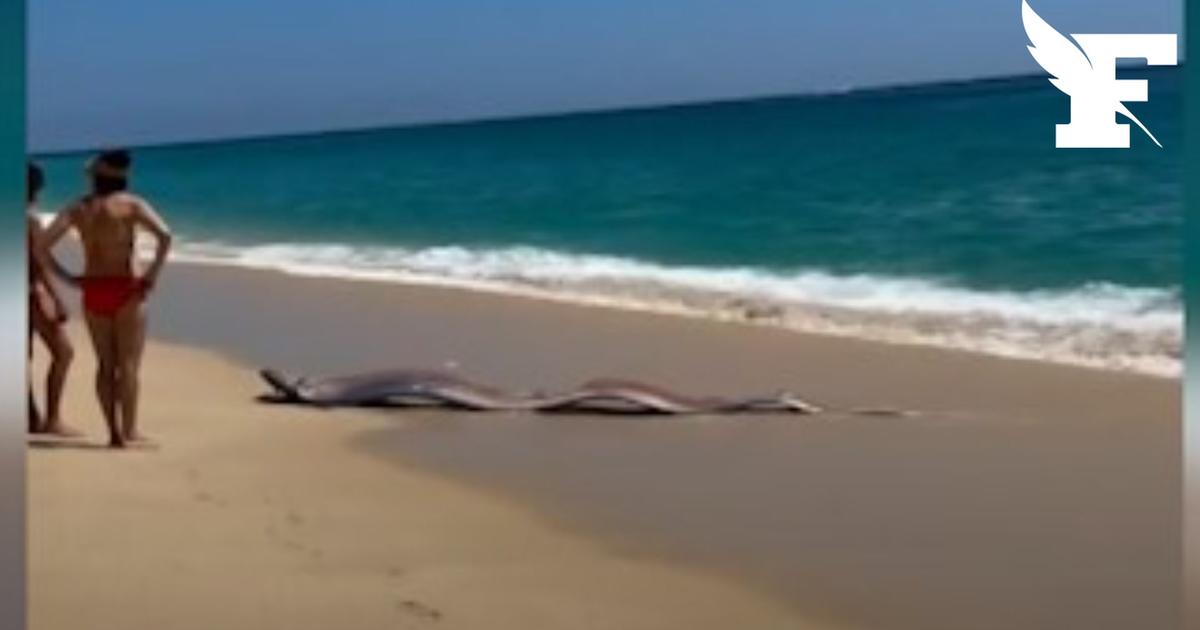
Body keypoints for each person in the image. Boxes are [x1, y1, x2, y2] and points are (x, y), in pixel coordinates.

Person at [37, 150, 173, 448]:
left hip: (94, 289)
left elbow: (41, 246)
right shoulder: (132, 205)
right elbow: (165, 236)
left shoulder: (78, 209)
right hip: (126, 288)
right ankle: (130, 430)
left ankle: (112, 432)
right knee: (128, 365)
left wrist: (69, 278)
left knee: (105, 364)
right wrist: (151, 276)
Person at [27, 162, 77, 436]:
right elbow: (39, 263)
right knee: (64, 353)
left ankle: (32, 418)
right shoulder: (30, 221)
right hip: (29, 293)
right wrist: (57, 298)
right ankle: (52, 418)